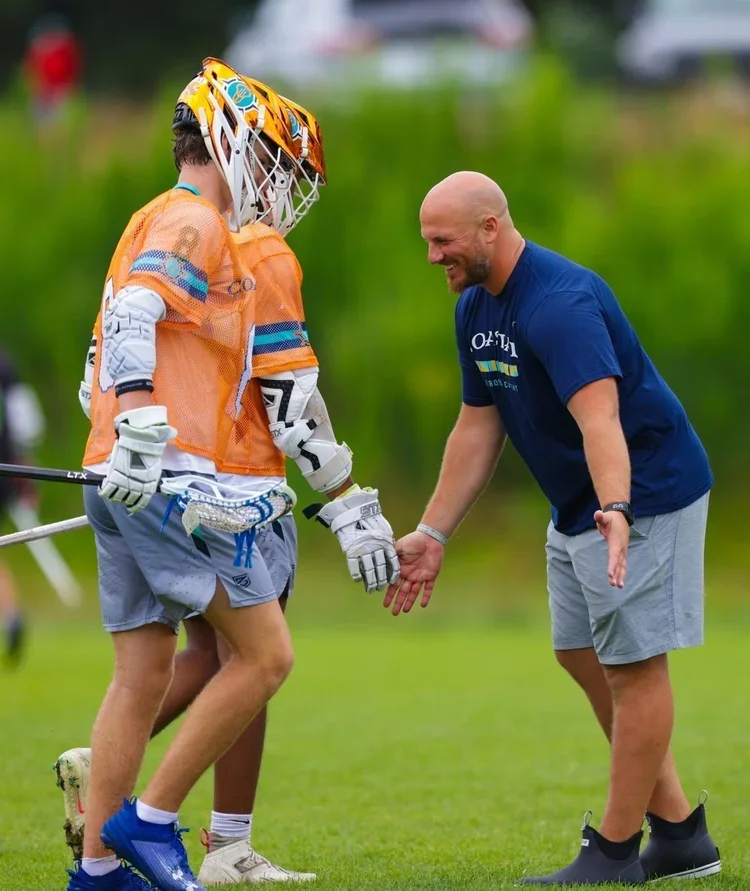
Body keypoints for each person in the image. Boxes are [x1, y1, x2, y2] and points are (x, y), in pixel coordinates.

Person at [62, 59, 399, 891]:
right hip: (173, 478)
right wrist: (149, 423)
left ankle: (98, 873)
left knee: (142, 674)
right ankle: (146, 823)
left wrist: (123, 431)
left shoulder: (147, 216)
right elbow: (142, 316)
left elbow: (94, 363)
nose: (280, 188)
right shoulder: (201, 222)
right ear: (232, 140)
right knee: (263, 657)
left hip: (115, 473)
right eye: (276, 163)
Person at [386, 171, 722, 886]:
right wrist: (433, 533)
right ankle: (680, 834)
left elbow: (600, 418)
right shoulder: (475, 306)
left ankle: (614, 854)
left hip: (645, 494)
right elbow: (478, 427)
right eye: (427, 241)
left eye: (442, 241)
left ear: (490, 229)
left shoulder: (559, 303)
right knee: (580, 653)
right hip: (579, 506)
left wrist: (618, 509)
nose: (432, 256)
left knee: (635, 669)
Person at [0, 349, 46, 664]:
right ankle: (11, 613)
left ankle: (12, 615)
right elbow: (26, 423)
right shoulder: (5, 364)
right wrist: (25, 472)